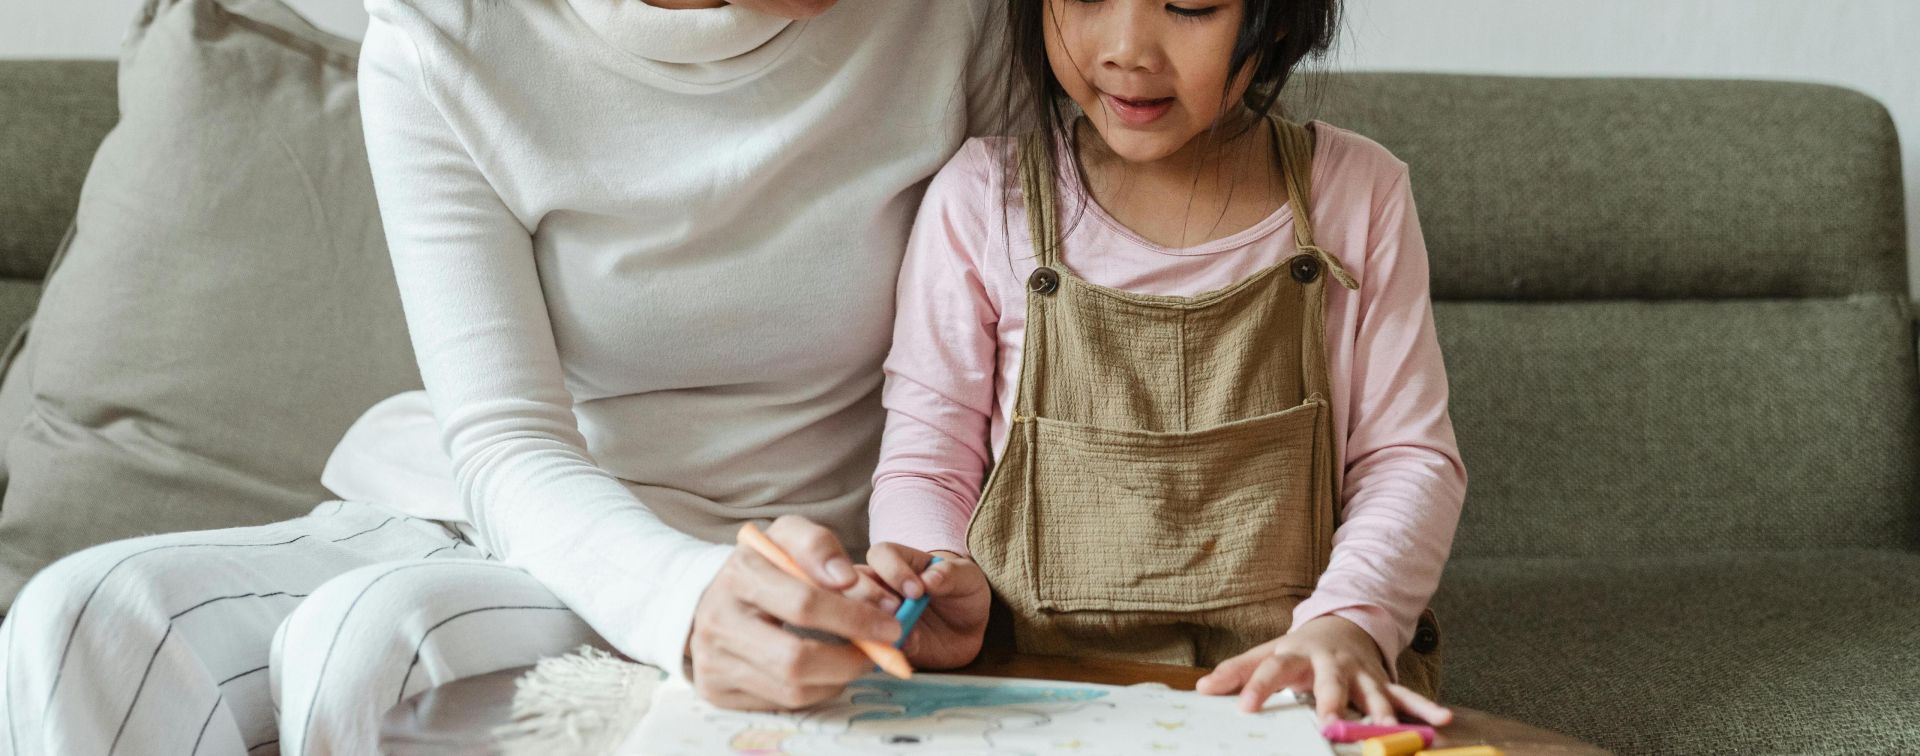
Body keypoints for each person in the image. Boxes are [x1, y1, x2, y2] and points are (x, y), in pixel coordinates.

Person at [0, 0, 1002, 753]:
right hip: (519, 514)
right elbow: (504, 438)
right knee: (85, 615)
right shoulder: (450, 28)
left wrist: (926, 560)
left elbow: (1019, 334)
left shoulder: (967, 20)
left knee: (371, 641)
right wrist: (686, 604)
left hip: (778, 539)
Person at [859, 0, 1466, 728]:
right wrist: (933, 569)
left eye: (1189, 7)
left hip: (1286, 697)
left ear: (1277, 19)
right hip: (1038, 690)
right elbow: (927, 464)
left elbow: (1407, 459)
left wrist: (1354, 621)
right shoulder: (984, 199)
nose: (1127, 50)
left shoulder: (1358, 191)